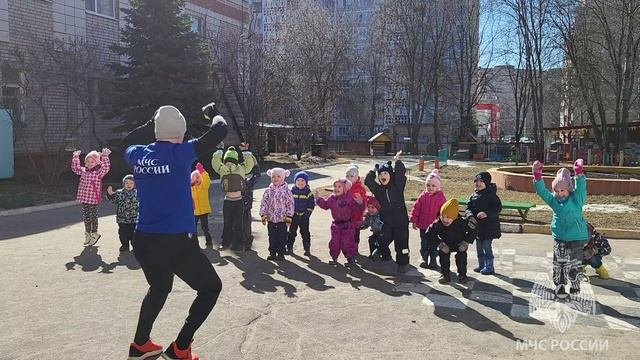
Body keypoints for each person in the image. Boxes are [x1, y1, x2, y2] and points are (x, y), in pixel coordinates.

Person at [122, 103, 228, 360]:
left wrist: (152, 123)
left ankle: (140, 345)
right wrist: (211, 111)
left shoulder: (137, 154)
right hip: (174, 241)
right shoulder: (181, 152)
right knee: (210, 288)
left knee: (159, 288)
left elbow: (128, 141)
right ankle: (181, 348)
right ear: (180, 134)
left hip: (143, 239)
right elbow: (220, 130)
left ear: (157, 131)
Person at [532, 159, 589, 298]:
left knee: (574, 264)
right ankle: (560, 286)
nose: (559, 193)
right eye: (556, 191)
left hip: (576, 237)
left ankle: (575, 285)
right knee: (559, 263)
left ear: (569, 189)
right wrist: (537, 176)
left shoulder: (576, 199)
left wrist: (579, 173)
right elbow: (542, 192)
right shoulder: (554, 200)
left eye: (562, 190)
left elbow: (581, 187)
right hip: (560, 237)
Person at [364, 151, 410, 273]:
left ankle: (402, 263)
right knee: (383, 238)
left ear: (390, 174)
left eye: (385, 173)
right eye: (381, 174)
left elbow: (400, 173)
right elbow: (368, 181)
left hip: (401, 221)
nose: (383, 176)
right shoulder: (378, 189)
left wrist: (398, 161)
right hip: (386, 221)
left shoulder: (397, 186)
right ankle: (385, 254)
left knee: (402, 243)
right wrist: (374, 169)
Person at [211, 145, 255, 252]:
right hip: (238, 200)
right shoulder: (241, 168)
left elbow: (215, 162)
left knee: (228, 223)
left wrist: (219, 150)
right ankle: (240, 244)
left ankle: (225, 243)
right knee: (238, 223)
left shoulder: (222, 168)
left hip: (228, 200)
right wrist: (245, 151)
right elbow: (250, 164)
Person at [423, 199, 478, 284]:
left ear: (454, 217)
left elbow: (474, 230)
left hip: (459, 243)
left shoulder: (462, 223)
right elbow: (428, 233)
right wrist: (439, 244)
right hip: (445, 244)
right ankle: (445, 275)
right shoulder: (437, 224)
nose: (445, 220)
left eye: (448, 217)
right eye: (443, 216)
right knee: (443, 256)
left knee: (461, 257)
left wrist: (466, 242)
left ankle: (462, 275)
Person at [315, 178, 364, 268]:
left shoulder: (350, 199)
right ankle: (334, 257)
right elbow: (325, 205)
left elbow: (358, 209)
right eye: (335, 186)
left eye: (339, 186)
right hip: (336, 224)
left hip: (348, 224)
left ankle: (350, 258)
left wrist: (360, 203)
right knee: (334, 242)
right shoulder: (332, 198)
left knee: (347, 242)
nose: (336, 188)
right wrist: (319, 200)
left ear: (345, 189)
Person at [71, 147, 111, 246]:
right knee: (86, 217)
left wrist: (105, 157)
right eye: (87, 161)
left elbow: (106, 168)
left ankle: (94, 233)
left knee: (93, 216)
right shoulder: (84, 171)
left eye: (92, 162)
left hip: (93, 198)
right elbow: (76, 169)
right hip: (85, 197)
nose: (89, 163)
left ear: (97, 163)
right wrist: (76, 158)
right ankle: (88, 234)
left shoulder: (98, 173)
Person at [465, 171, 502, 275]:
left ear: (486, 182)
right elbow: (468, 208)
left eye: (481, 181)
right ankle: (481, 264)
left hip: (489, 227)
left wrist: (486, 213)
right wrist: (470, 216)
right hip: (478, 227)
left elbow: (497, 208)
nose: (478, 183)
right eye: (476, 181)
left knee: (486, 245)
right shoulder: (473, 195)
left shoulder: (491, 195)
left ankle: (489, 266)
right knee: (479, 247)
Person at [410, 169, 446, 270]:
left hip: (435, 227)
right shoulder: (422, 196)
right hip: (423, 225)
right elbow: (416, 208)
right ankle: (424, 258)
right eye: (428, 185)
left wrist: (442, 222)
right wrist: (414, 220)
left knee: (434, 244)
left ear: (438, 187)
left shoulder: (440, 197)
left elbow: (443, 211)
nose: (430, 188)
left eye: (433, 186)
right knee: (424, 243)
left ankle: (433, 260)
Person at [260, 167, 295, 261]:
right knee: (272, 236)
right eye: (273, 176)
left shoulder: (287, 191)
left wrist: (289, 217)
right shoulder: (268, 190)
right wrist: (263, 214)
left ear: (283, 177)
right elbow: (264, 202)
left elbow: (290, 204)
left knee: (281, 237)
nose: (275, 178)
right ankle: (272, 253)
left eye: (278, 176)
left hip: (282, 219)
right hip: (271, 219)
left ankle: (281, 253)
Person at [106, 174, 138, 252]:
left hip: (134, 218)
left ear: (134, 184)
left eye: (131, 183)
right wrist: (110, 195)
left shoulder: (137, 193)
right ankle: (125, 245)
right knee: (123, 233)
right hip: (122, 218)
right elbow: (114, 200)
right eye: (127, 183)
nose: (129, 185)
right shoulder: (119, 193)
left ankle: (135, 246)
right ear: (123, 184)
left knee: (134, 234)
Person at [287, 171, 315, 256]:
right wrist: (289, 213)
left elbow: (311, 204)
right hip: (294, 215)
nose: (300, 182)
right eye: (298, 180)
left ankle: (307, 249)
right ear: (295, 182)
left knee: (305, 232)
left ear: (306, 182)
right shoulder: (291, 192)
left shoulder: (308, 192)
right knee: (291, 232)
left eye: (302, 181)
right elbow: (288, 203)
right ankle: (289, 247)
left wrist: (307, 214)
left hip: (304, 216)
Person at [240, 144, 260, 251]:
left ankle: (240, 242)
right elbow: (257, 174)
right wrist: (254, 161)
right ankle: (247, 243)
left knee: (238, 224)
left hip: (236, 206)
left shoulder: (234, 181)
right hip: (246, 207)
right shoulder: (248, 183)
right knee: (246, 225)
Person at [191, 162, 213, 246]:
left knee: (205, 227)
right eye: (194, 178)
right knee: (193, 228)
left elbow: (207, 180)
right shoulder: (190, 188)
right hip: (194, 211)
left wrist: (202, 171)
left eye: (198, 177)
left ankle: (208, 240)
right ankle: (194, 242)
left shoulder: (203, 186)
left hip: (204, 210)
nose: (196, 180)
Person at [345, 164, 367, 246]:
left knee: (355, 234)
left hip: (357, 216)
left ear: (357, 177)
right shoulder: (344, 187)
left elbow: (364, 202)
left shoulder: (360, 189)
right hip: (346, 216)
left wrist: (361, 202)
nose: (349, 178)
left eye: (351, 176)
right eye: (347, 176)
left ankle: (355, 247)